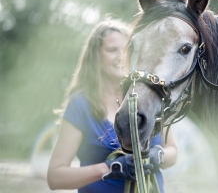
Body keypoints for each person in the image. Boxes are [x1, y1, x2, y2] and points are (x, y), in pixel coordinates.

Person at [47, 19, 178, 193]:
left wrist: (158, 155)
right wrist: (110, 168)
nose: (121, 56)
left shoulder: (151, 98)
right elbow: (55, 178)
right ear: (96, 58)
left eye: (125, 50)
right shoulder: (80, 105)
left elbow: (172, 151)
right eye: (111, 50)